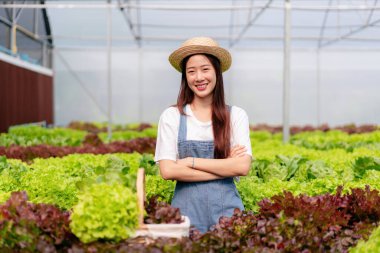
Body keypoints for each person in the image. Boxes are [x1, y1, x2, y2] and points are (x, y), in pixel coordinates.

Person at [154, 37, 252, 233]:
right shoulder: (172, 116)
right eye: (191, 71)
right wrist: (225, 166)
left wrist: (189, 161)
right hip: (185, 217)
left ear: (216, 71)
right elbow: (168, 171)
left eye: (205, 69)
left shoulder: (236, 115)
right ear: (185, 77)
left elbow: (242, 166)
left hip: (228, 217)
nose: (199, 77)